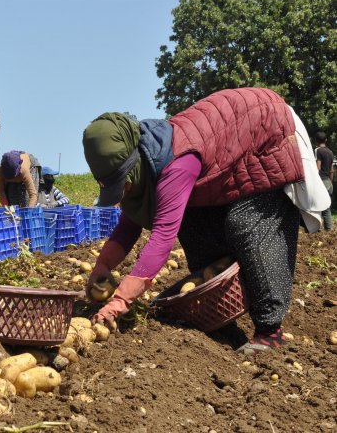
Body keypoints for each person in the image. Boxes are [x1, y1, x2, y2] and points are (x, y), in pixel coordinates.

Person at [81, 88, 330, 354]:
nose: (125, 190)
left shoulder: (177, 162)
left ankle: (271, 331)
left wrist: (121, 299)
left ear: (133, 165)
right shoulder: (142, 165)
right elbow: (128, 226)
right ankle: (220, 314)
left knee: (248, 225)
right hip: (225, 157)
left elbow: (163, 236)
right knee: (193, 224)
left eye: (124, 183)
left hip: (267, 132)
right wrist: (102, 266)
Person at [314, 131, 334, 230]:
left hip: (321, 181)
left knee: (318, 206)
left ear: (316, 141)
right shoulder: (330, 152)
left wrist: (315, 182)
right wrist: (330, 181)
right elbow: (331, 170)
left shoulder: (318, 151)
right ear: (326, 140)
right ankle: (329, 229)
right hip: (328, 182)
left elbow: (318, 168)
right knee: (327, 207)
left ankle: (318, 229)